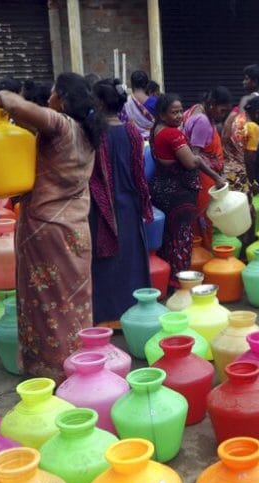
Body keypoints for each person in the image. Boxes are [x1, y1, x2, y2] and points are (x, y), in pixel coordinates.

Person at [0, 73, 98, 378]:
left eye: (53, 93)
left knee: (46, 303)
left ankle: (52, 370)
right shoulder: (86, 132)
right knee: (74, 300)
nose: (49, 98)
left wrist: (3, 95)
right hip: (76, 228)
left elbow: (13, 103)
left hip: (45, 228)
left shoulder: (61, 125)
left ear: (62, 100)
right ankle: (80, 364)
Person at [88, 78, 153, 326]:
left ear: (100, 103)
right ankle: (134, 313)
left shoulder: (93, 133)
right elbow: (140, 174)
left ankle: (105, 318)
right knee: (131, 259)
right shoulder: (133, 132)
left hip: (100, 206)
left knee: (103, 262)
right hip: (129, 204)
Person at [149, 93, 226, 277]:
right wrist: (214, 175)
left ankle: (167, 277)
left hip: (163, 189)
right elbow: (191, 163)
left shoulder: (156, 130)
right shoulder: (172, 134)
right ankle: (180, 280)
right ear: (161, 114)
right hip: (178, 194)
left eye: (180, 111)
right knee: (181, 237)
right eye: (173, 112)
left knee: (169, 236)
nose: (178, 116)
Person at [183, 87, 233, 246]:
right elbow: (194, 156)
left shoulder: (196, 110)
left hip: (203, 179)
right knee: (202, 222)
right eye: (222, 110)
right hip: (203, 181)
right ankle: (202, 257)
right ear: (211, 104)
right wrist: (216, 177)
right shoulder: (203, 121)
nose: (223, 115)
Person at [223, 95, 259, 193]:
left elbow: (224, 139)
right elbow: (249, 160)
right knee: (246, 207)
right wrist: (251, 182)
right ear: (258, 113)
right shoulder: (252, 127)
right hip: (239, 176)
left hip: (224, 173)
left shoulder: (234, 117)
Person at [122, 70, 155, 141]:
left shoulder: (125, 103)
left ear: (131, 85)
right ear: (147, 84)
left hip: (133, 143)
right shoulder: (156, 103)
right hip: (153, 143)